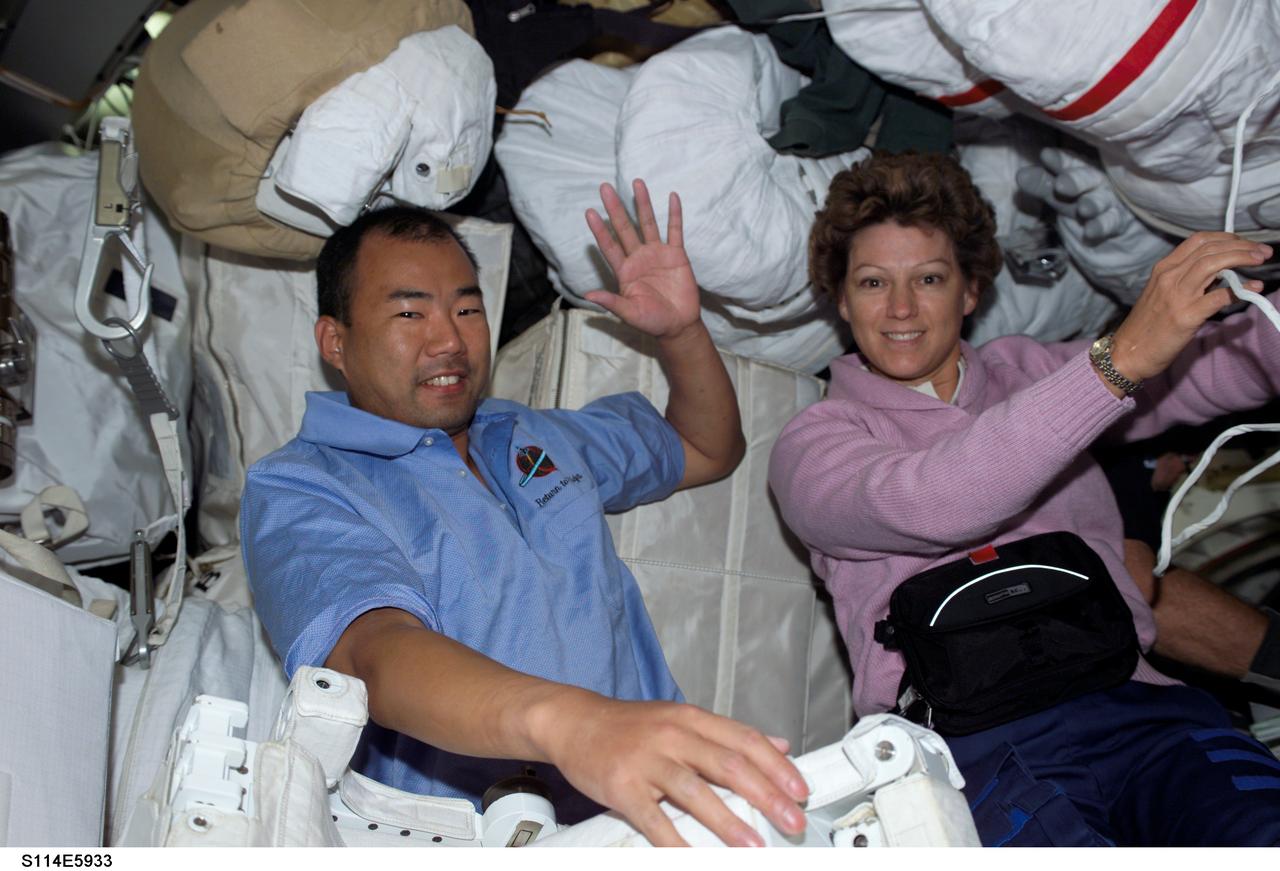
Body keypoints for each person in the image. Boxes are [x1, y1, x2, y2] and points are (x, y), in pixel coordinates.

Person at [241, 180, 809, 847]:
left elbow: (707, 447)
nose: (448, 340)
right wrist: (576, 725)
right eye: (410, 313)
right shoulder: (302, 483)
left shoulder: (530, 433)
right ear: (335, 342)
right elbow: (373, 655)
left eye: (467, 308)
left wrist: (682, 333)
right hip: (478, 837)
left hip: (663, 805)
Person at [767, 152, 1280, 846]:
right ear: (841, 299)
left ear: (971, 290)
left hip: (1142, 710)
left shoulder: (1031, 371)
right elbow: (937, 501)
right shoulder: (814, 441)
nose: (900, 308)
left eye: (929, 278)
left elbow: (1222, 367)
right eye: (872, 282)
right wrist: (1118, 361)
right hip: (967, 754)